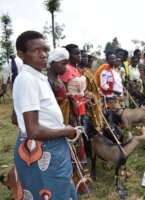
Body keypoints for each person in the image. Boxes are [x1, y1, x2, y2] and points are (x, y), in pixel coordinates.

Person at [12, 30, 77, 199]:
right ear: (21, 54)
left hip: (47, 145)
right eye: (36, 50)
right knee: (52, 192)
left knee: (56, 190)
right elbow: (33, 130)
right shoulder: (27, 79)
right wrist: (66, 131)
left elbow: (15, 117)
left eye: (45, 50)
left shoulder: (37, 77)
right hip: (43, 149)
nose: (43, 55)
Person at [47, 48, 70, 124]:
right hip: (54, 121)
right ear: (52, 63)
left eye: (66, 64)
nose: (65, 67)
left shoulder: (58, 78)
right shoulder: (48, 81)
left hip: (63, 116)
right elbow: (47, 103)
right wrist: (62, 99)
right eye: (63, 64)